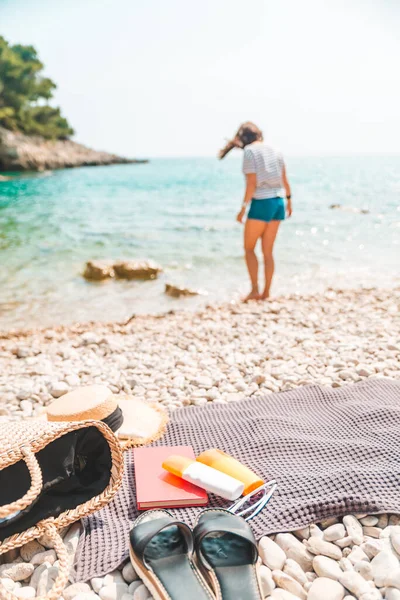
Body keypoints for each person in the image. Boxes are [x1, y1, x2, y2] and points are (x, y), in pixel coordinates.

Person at [219, 122, 292, 301]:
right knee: (268, 251)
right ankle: (266, 292)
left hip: (262, 202)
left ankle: (254, 290)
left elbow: (251, 183)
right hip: (279, 201)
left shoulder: (250, 151)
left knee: (249, 248)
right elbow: (284, 179)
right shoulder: (276, 150)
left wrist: (243, 209)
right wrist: (289, 200)